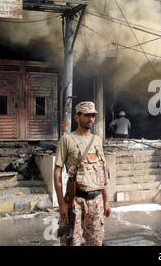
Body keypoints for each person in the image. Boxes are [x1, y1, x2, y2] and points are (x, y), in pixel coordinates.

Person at [54, 101, 112, 246]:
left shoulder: (97, 140)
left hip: (96, 201)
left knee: (96, 242)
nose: (90, 119)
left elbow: (101, 172)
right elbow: (57, 172)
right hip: (75, 200)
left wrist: (106, 201)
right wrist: (62, 203)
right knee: (70, 240)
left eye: (93, 116)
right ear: (77, 117)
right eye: (86, 115)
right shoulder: (66, 140)